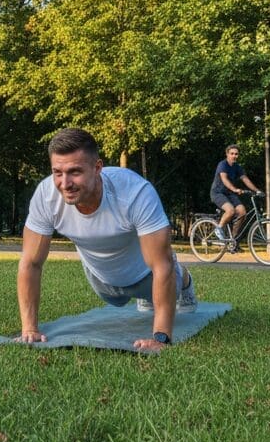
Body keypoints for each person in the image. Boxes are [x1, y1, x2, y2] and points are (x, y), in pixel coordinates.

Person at [17, 128, 197, 353]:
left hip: (147, 275)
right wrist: (29, 328)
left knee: (167, 266)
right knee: (116, 297)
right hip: (102, 281)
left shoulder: (135, 193)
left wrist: (161, 337)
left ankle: (186, 280)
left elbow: (161, 266)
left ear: (97, 168)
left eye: (75, 172)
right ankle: (146, 298)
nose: (65, 183)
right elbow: (31, 262)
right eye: (57, 172)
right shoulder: (46, 196)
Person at [209, 144, 262, 243]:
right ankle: (219, 228)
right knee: (231, 210)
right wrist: (234, 189)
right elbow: (224, 179)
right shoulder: (223, 164)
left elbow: (245, 179)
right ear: (227, 154)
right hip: (218, 193)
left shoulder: (237, 167)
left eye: (236, 154)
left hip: (229, 193)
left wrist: (257, 190)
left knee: (242, 212)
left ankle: (233, 240)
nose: (234, 156)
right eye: (232, 153)